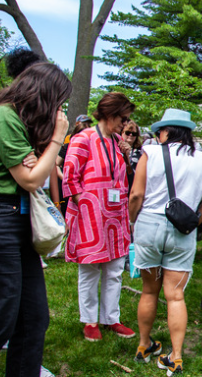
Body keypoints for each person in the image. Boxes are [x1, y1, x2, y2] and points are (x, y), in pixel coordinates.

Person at [0, 62, 70, 377]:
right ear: (43, 94)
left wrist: (38, 161)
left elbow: (36, 170)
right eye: (58, 101)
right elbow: (32, 179)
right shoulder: (0, 116)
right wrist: (58, 137)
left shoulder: (15, 121)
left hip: (16, 218)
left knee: (33, 318)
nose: (59, 111)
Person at [128, 108, 202, 376]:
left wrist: (133, 223)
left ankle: (144, 346)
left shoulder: (150, 152)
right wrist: (192, 223)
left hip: (149, 226)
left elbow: (136, 195)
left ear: (166, 131)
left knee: (149, 290)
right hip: (183, 229)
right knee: (175, 295)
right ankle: (175, 357)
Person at [63, 92, 136, 342]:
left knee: (115, 270)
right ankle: (90, 321)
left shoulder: (117, 141)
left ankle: (111, 318)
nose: (125, 124)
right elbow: (70, 179)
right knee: (90, 270)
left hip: (115, 216)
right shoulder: (83, 138)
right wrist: (83, 208)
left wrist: (126, 156)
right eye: (123, 118)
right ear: (109, 113)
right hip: (91, 216)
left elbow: (120, 176)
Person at [120, 120, 143, 191]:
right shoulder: (114, 149)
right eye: (128, 133)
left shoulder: (141, 152)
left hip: (134, 187)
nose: (131, 135)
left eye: (134, 134)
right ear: (121, 133)